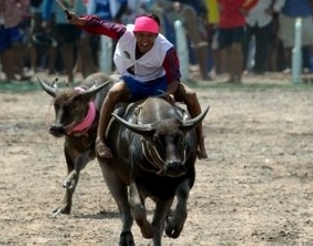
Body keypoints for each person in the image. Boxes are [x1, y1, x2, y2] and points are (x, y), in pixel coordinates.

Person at [66, 10, 207, 160]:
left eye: (150, 36)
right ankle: (100, 140)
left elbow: (174, 78)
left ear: (156, 35)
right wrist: (80, 20)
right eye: (141, 35)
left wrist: (170, 93)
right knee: (113, 93)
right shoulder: (124, 33)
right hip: (133, 80)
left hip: (160, 82)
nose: (145, 40)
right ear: (135, 33)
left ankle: (200, 141)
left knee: (191, 95)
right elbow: (101, 26)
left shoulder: (166, 49)